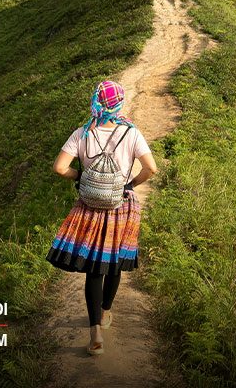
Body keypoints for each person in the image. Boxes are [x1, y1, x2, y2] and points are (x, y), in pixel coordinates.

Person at [46, 80, 158, 356]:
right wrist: (130, 184)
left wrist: (81, 176)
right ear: (119, 103)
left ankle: (95, 330)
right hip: (122, 205)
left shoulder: (82, 133)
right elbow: (151, 168)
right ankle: (106, 312)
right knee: (114, 262)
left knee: (94, 269)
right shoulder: (131, 133)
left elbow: (59, 168)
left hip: (90, 207)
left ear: (96, 102)